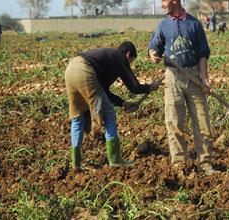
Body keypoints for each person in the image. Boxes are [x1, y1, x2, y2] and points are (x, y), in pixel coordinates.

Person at [148, 0, 218, 176]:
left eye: (164, 0)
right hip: (172, 78)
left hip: (194, 77)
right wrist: (153, 54)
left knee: (203, 123)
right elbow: (154, 47)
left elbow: (203, 54)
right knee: (174, 122)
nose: (162, 4)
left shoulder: (194, 24)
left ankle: (205, 164)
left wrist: (205, 79)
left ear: (175, 0)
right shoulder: (163, 26)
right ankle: (179, 164)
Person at [65, 41, 161, 171]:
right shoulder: (119, 57)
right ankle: (115, 160)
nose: (129, 65)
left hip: (71, 69)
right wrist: (150, 87)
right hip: (85, 70)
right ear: (128, 55)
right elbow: (134, 87)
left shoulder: (107, 58)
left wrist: (122, 103)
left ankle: (75, 163)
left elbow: (103, 91)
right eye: (131, 62)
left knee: (77, 117)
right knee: (109, 114)